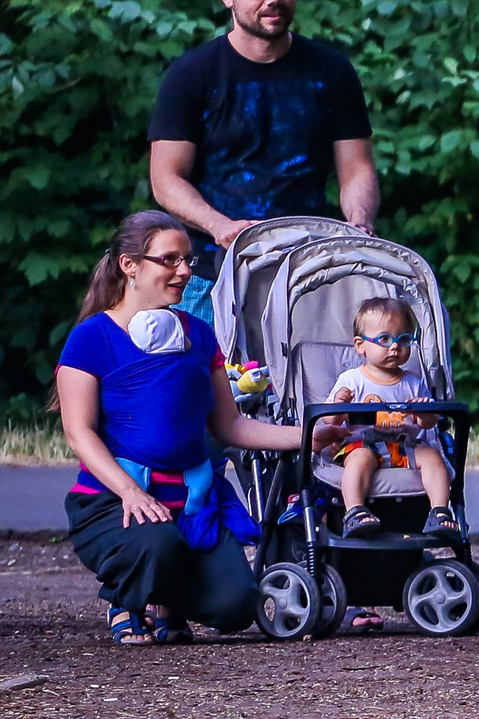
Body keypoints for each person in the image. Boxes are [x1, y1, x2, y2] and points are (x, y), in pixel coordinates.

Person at [54, 211, 305, 643]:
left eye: (187, 259)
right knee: (157, 544)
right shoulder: (91, 338)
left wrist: (310, 437)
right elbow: (80, 433)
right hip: (116, 501)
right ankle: (127, 600)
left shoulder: (201, 335)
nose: (185, 270)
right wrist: (130, 491)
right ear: (129, 265)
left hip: (191, 503)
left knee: (236, 606)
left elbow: (231, 427)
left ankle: (167, 600)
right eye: (169, 260)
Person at [148, 0, 377, 323]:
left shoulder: (331, 71)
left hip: (308, 270)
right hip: (208, 271)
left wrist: (358, 223)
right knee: (206, 382)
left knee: (313, 385)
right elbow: (165, 178)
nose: (273, 0)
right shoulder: (191, 74)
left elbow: (356, 168)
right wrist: (221, 227)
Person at [314, 297, 455, 541]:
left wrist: (425, 413)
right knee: (359, 459)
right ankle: (355, 511)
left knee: (433, 456)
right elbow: (331, 421)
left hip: (403, 445)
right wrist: (340, 404)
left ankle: (440, 511)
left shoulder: (413, 382)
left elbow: (427, 425)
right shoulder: (351, 380)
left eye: (403, 339)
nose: (395, 347)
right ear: (360, 345)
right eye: (384, 339)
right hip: (363, 443)